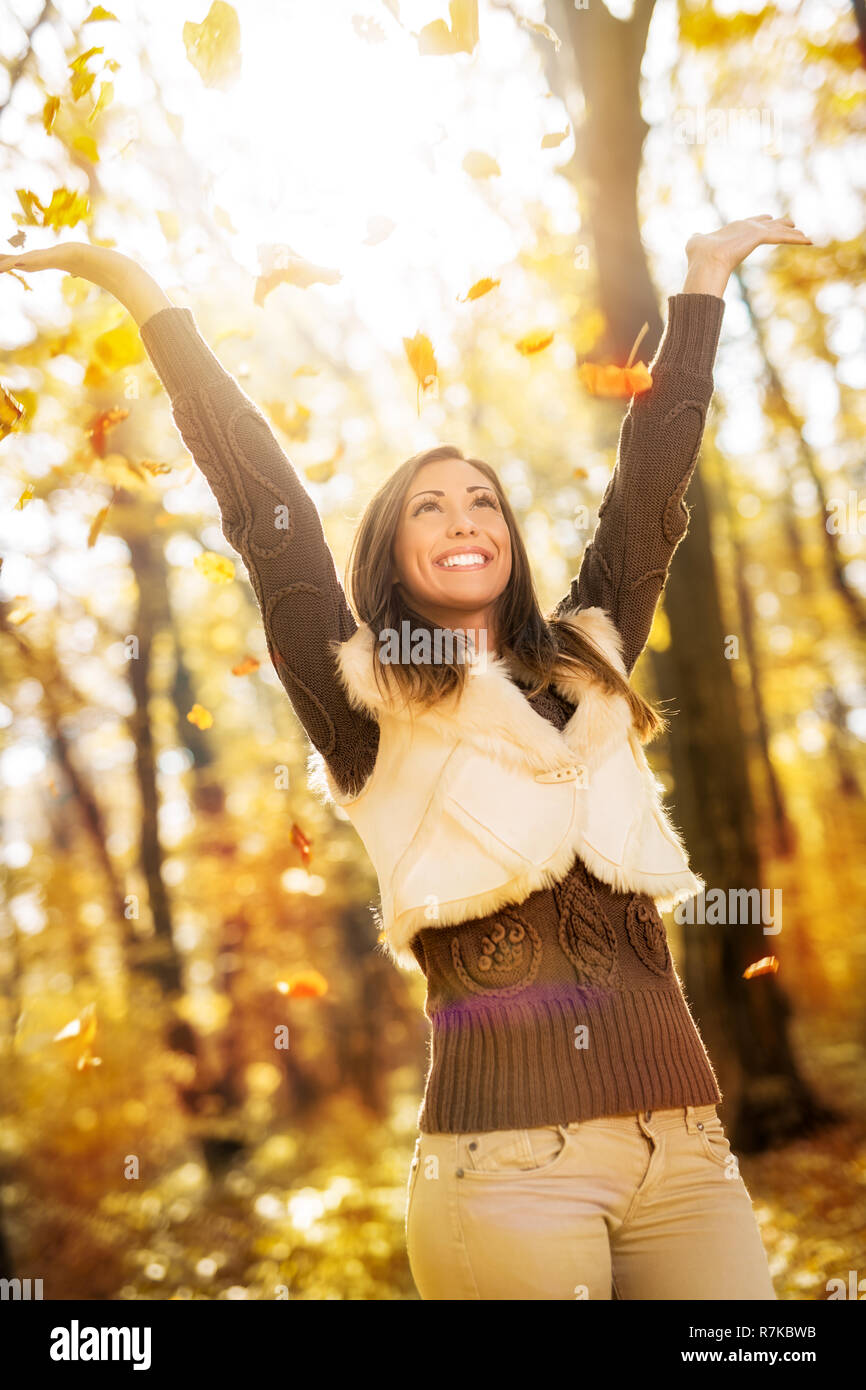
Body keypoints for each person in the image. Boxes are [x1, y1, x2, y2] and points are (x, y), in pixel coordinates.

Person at [0, 213, 812, 1300]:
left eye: (483, 499)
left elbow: (649, 492)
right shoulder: (361, 696)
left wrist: (704, 282)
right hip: (508, 1174)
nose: (464, 516)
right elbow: (267, 511)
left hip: (688, 1155)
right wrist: (146, 298)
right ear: (390, 548)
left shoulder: (590, 647)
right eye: (428, 505)